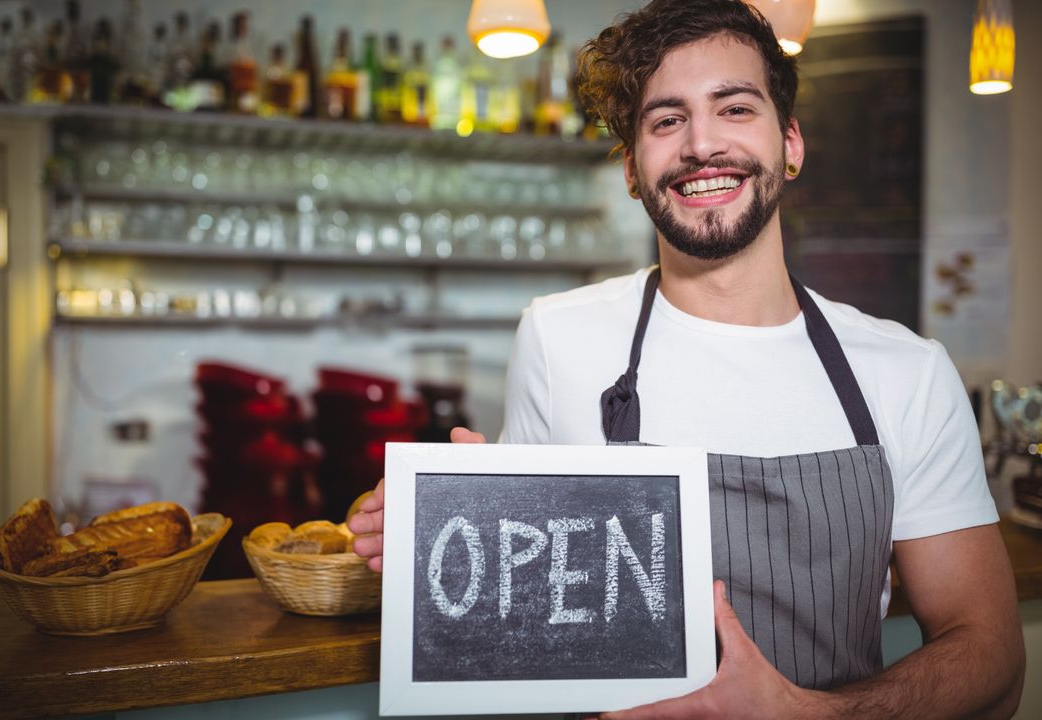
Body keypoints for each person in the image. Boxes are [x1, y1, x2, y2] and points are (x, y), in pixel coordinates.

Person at [350, 0, 1025, 716]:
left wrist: (812, 713)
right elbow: (530, 618)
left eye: (734, 108)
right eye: (666, 121)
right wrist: (446, 541)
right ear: (634, 171)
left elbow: (990, 656)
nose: (702, 144)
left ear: (790, 142)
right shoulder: (558, 338)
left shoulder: (907, 371)